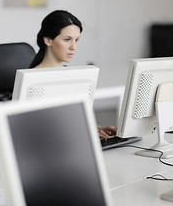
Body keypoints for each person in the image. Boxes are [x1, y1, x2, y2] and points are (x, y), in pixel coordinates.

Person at [30, 10, 117, 139]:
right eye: (67, 40)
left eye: (76, 40)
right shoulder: (32, 80)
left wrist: (94, 129)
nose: (73, 47)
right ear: (48, 40)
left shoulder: (73, 77)